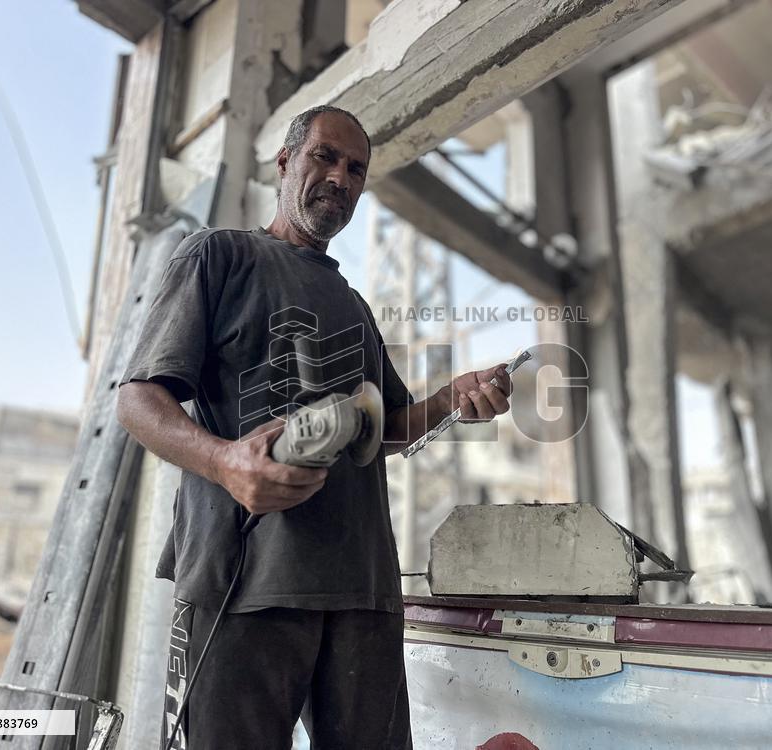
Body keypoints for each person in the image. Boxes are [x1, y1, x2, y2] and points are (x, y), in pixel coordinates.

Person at [116, 104, 513, 749]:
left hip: (362, 589)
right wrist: (224, 463)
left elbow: (385, 432)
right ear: (285, 161)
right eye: (324, 157)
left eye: (356, 169)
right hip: (244, 585)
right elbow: (137, 401)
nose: (340, 178)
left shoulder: (354, 306)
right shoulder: (221, 257)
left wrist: (451, 399)